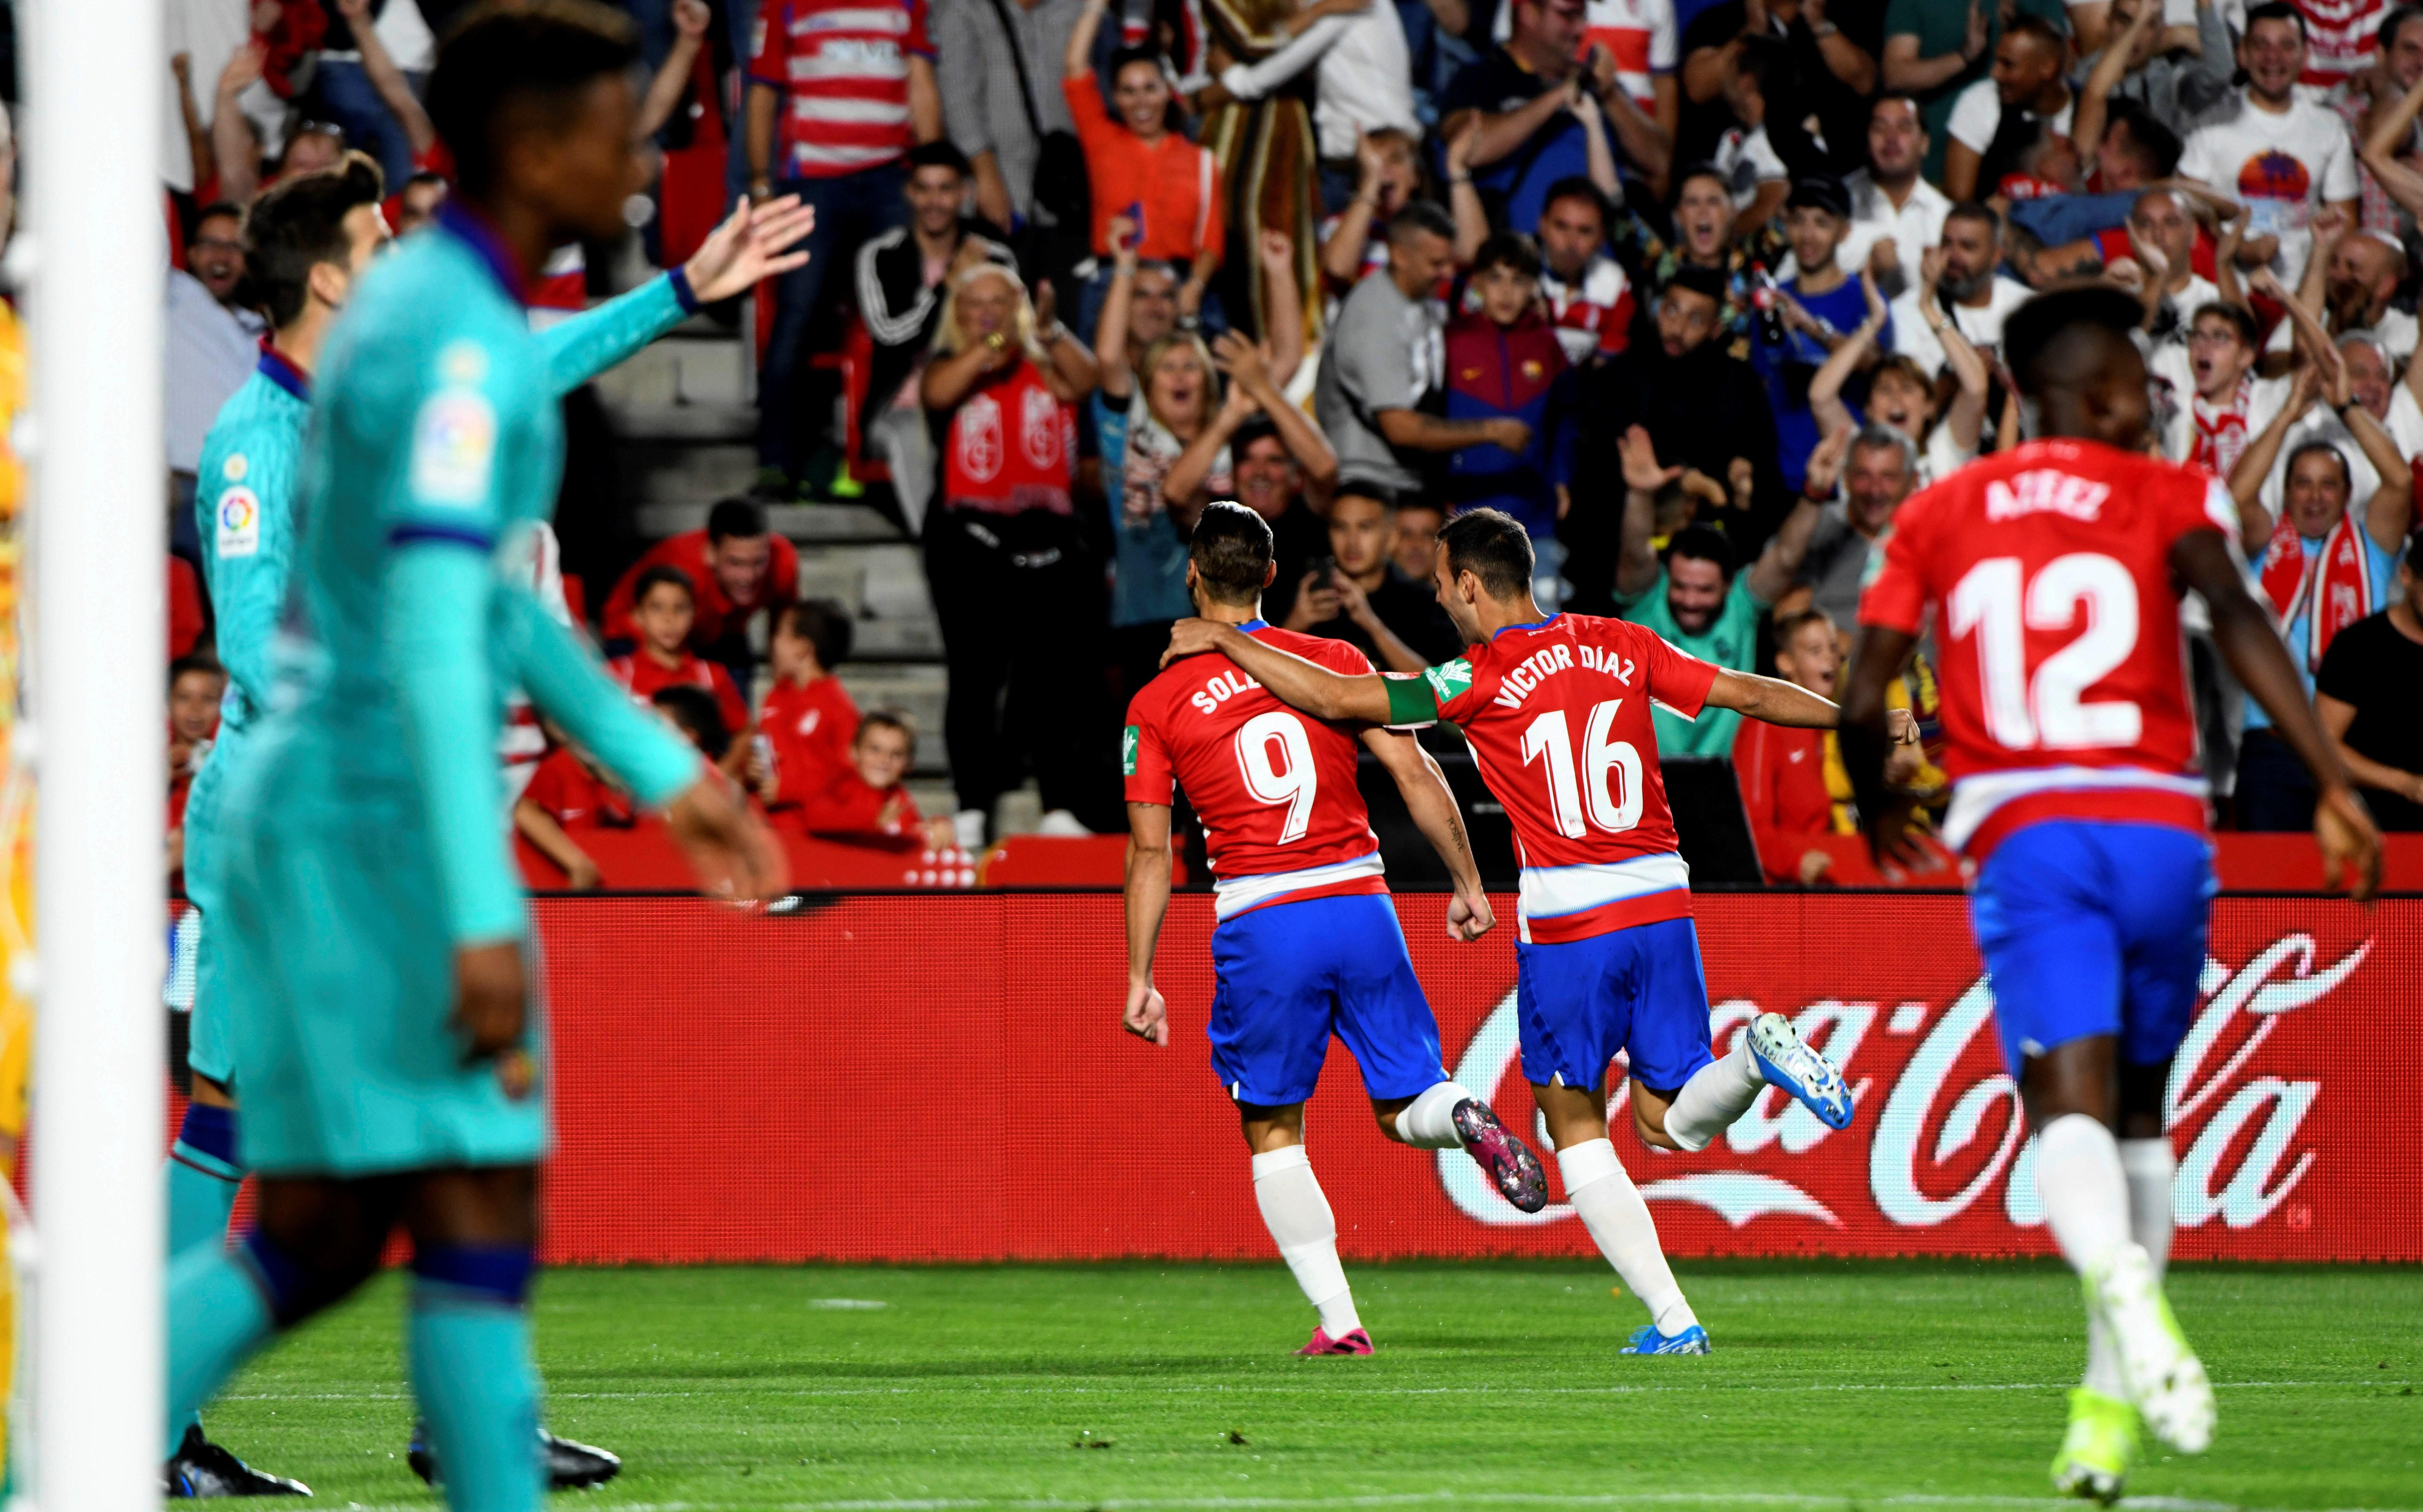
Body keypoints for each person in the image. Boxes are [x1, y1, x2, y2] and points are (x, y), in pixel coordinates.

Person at [164, 14, 790, 1512]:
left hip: (358, 814)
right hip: (320, 824)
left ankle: (140, 1436)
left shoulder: (406, 367)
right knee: (338, 1179)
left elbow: (508, 493)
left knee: (347, 1202)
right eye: (376, 239)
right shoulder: (280, 431)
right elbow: (309, 652)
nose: (398, 253)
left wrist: (682, 289)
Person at [1840, 284, 2384, 1503]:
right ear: (2086, 397)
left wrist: (1878, 794)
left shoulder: (1935, 510)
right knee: (2140, 1111)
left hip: (2028, 832)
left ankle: (2130, 1318)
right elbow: (2239, 619)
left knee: (2065, 1111)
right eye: (2138, 388)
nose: (2152, 405)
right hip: (2160, 830)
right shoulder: (2167, 493)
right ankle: (2099, 1412)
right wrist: (2331, 780)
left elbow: (1867, 673)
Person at [1162, 506, 1871, 1353]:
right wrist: (1855, 718)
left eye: (1439, 585)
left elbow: (1341, 697)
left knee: (1577, 1130)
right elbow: (1750, 692)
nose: (1440, 601)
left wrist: (1226, 640)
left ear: (1469, 582)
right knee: (1669, 1118)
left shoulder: (1477, 675)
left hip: (1574, 923)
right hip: (1664, 903)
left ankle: (1678, 1317)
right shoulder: (1622, 642)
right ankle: (1752, 1069)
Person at [1122, 502, 1550, 1356]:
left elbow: (1148, 853)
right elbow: (1416, 767)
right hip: (1362, 906)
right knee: (1406, 1102)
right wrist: (1467, 878)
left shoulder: (1157, 700)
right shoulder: (1332, 660)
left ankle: (1340, 1321)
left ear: (1191, 575)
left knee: (1273, 1128)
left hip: (1264, 919)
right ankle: (1462, 1107)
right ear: (1273, 577)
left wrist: (1140, 973)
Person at [920, 262, 1106, 844]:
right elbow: (938, 393)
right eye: (976, 303)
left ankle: (1058, 805)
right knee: (975, 677)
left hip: (1047, 538)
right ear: (957, 311)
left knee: (1054, 679)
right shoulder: (949, 367)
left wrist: (1044, 333)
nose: (988, 312)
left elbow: (1088, 379)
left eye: (999, 301)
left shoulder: (1047, 362)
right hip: (971, 540)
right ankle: (971, 804)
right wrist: (992, 343)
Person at [747, 0, 944, 496]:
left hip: (890, 180)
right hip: (813, 179)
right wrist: (761, 182)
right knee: (799, 313)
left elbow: (920, 83)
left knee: (908, 311)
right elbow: (763, 93)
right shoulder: (785, 5)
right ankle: (776, 458)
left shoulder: (906, 3)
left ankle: (883, 451)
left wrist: (934, 173)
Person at [2224, 348, 2413, 829]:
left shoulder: (2371, 549)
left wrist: (2346, 407)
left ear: (2347, 496)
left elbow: (2399, 479)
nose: (2314, 497)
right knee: (2266, 896)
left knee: (2351, 898)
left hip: (2350, 748)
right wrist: (2289, 412)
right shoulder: (2265, 546)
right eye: (2302, 485)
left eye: (2328, 485)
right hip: (2272, 746)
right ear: (2286, 495)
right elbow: (2235, 497)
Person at [1611, 423, 1838, 757]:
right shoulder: (1647, 600)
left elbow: (1786, 556)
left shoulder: (1741, 605)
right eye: (1681, 587)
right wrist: (1641, 494)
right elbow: (1634, 551)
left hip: (1723, 784)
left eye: (1704, 590)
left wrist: (1814, 494)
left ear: (1728, 585)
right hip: (1646, 780)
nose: (1690, 601)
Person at [1316, 204, 1528, 506]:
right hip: (1368, 485)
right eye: (1436, 263)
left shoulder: (1417, 299)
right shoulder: (1374, 319)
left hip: (1406, 479)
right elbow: (1400, 427)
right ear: (1400, 256)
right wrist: (1492, 430)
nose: (1448, 272)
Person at [857, 141, 1018, 531]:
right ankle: (934, 543)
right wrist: (949, 284)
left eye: (946, 189)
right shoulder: (881, 255)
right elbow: (890, 336)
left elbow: (1011, 334)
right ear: (909, 192)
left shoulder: (995, 256)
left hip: (981, 392)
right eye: (924, 189)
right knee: (911, 434)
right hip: (902, 402)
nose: (935, 201)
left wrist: (989, 348)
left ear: (965, 193)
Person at [1062, 0, 1223, 339]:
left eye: (1150, 89)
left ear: (1168, 92)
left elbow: (1211, 242)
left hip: (1176, 289)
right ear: (1116, 99)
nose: (1141, 102)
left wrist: (1193, 288)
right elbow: (1075, 67)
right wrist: (1095, 7)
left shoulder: (1201, 160)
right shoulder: (1103, 140)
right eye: (1129, 92)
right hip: (1113, 283)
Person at [1442, 0, 1671, 232]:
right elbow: (1465, 148)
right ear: (1529, 12)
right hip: (1515, 258)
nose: (1581, 29)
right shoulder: (1482, 78)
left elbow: (1659, 161)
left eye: (1582, 17)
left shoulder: (1597, 86)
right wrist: (1556, 97)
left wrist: (1610, 95)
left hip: (1598, 263)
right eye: (1567, 16)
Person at [2177, 4, 2359, 285]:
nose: (2273, 58)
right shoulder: (2210, 123)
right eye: (2261, 45)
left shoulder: (2329, 128)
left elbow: (2346, 223)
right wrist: (2236, 247)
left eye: (2287, 46)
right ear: (2242, 55)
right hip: (2223, 286)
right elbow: (2182, 202)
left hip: (2303, 291)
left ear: (2305, 55)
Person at [1444, 231, 1577, 559]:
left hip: (1534, 516)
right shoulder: (1451, 341)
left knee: (1540, 608)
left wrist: (1562, 479)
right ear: (1476, 282)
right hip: (1462, 514)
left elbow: (1567, 416)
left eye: (1519, 280)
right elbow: (1429, 423)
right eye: (1495, 278)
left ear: (1533, 285)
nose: (1506, 291)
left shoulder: (1546, 344)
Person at [1761, 176, 1881, 494]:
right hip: (1782, 481)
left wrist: (1811, 327)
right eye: (1798, 220)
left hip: (1848, 484)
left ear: (1845, 231)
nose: (1807, 235)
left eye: (1821, 223)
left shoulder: (1865, 301)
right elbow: (1760, 383)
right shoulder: (1769, 302)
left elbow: (1878, 369)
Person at [602, 499, 804, 683]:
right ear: (710, 553)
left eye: (759, 562)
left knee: (734, 707)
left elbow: (784, 628)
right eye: (736, 563)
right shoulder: (680, 568)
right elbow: (657, 622)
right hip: (636, 631)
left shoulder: (782, 561)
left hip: (721, 631)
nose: (748, 577)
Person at [1677, 0, 1881, 182]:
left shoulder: (1836, 17)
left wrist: (1819, 24)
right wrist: (1752, 31)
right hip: (1741, 182)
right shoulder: (1721, 20)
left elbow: (1865, 81)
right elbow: (1697, 88)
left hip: (1828, 182)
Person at [932, 0, 1087, 233]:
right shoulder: (962, 8)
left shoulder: (1076, 8)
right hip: (1000, 187)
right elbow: (958, 99)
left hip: (1065, 193)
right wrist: (985, 175)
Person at [1732, 608, 1860, 884]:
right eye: (1815, 650)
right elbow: (1750, 829)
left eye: (1834, 648)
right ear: (1786, 662)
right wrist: (1796, 863)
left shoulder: (1835, 725)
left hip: (1827, 882)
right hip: (1782, 892)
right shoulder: (1764, 727)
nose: (1831, 658)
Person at [1282, 485, 1462, 670]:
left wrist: (1373, 626)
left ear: (1391, 536)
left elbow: (1440, 688)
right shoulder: (1308, 592)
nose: (1352, 542)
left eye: (1365, 527)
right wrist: (1296, 623)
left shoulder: (1424, 603)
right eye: (1340, 527)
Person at [2315, 533, 2423, 829]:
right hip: (2369, 822)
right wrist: (2405, 783)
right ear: (2406, 576)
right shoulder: (2358, 646)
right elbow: (2323, 744)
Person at [609, 566, 755, 774]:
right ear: (638, 615)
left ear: (694, 613)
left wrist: (723, 771)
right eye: (657, 608)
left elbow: (746, 731)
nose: (669, 618)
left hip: (698, 790)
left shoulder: (711, 676)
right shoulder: (617, 674)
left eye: (680, 608)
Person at [1887, 201, 2031, 376]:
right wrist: (1962, 373)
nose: (1953, 256)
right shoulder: (1907, 310)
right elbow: (1909, 394)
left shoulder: (2028, 308)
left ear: (1996, 256)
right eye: (1946, 244)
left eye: (1967, 247)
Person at [753, 600, 864, 823]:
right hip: (769, 827)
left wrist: (787, 788)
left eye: (781, 634)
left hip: (811, 834)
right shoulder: (775, 697)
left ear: (802, 648)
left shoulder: (839, 708)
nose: (774, 642)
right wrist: (752, 770)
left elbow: (847, 777)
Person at [1941, 14, 2071, 203]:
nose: (1995, 73)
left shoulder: (2082, 110)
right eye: (1997, 61)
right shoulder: (1981, 101)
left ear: (2048, 67)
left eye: (2008, 65)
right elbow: (1958, 200)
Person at [1833, 94, 1950, 296]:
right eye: (1880, 128)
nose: (1891, 138)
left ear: (1924, 143)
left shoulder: (1945, 216)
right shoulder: (1834, 203)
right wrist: (1868, 273)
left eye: (1904, 128)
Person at [794, 711, 956, 847]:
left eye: (896, 754)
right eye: (875, 750)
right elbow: (817, 820)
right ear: (854, 752)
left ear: (909, 764)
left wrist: (939, 826)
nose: (884, 761)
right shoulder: (840, 788)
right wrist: (872, 821)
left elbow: (913, 832)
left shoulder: (898, 797)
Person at [1533, 177, 1635, 364]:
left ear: (1602, 237)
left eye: (1585, 231)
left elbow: (1605, 372)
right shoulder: (1512, 268)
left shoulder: (1614, 282)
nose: (1571, 243)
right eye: (1561, 226)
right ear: (1542, 226)